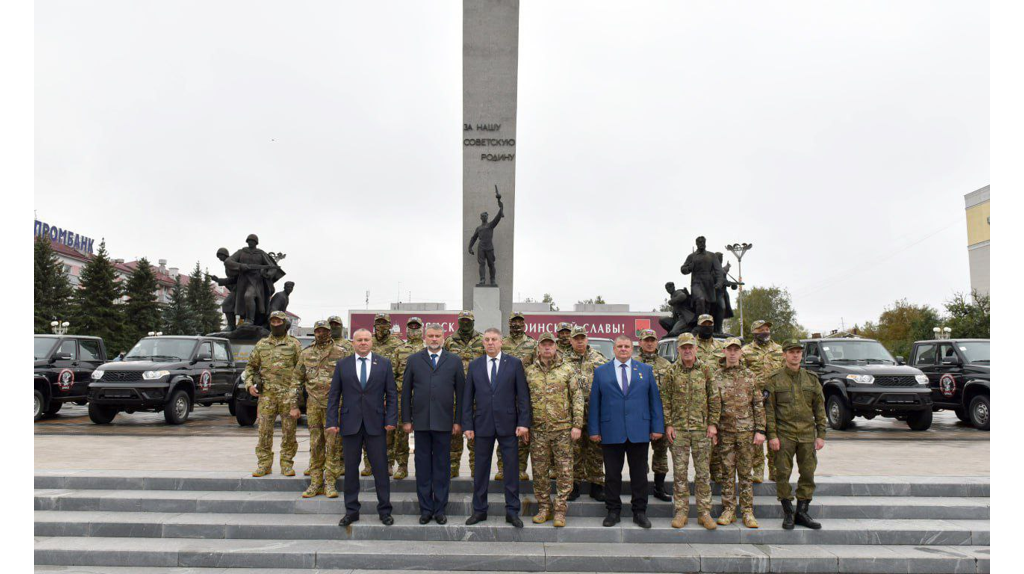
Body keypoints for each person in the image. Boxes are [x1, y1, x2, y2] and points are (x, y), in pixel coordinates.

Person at [588, 335, 665, 529]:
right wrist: (594, 429)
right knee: (612, 475)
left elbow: (654, 401)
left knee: (639, 474)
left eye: (627, 346)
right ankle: (613, 510)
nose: (623, 349)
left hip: (638, 430)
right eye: (620, 346)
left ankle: (640, 511)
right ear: (613, 349)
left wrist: (657, 427)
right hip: (611, 430)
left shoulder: (645, 370)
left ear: (633, 349)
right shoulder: (601, 372)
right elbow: (595, 403)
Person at [326, 329, 398, 527]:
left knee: (381, 469)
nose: (363, 343)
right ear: (353, 342)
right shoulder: (343, 365)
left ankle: (385, 511)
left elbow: (391, 394)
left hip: (376, 424)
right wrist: (332, 421)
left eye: (367, 340)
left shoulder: (383, 364)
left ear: (372, 342)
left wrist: (391, 419)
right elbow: (334, 395)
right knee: (350, 470)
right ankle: (351, 511)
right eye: (360, 340)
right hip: (350, 425)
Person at [463, 328, 531, 528]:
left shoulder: (514, 364)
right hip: (481, 424)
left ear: (501, 342)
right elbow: (467, 398)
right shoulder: (475, 365)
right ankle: (479, 510)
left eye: (494, 339)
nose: (490, 343)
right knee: (481, 469)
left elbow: (523, 396)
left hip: (509, 425)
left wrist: (523, 422)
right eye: (487, 340)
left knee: (511, 470)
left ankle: (512, 511)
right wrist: (467, 424)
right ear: (483, 343)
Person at [401, 323, 466, 524]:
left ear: (443, 337)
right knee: (422, 466)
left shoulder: (454, 361)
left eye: (438, 336)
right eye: (430, 336)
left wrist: (458, 421)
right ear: (425, 337)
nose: (434, 339)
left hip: (444, 423)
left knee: (441, 467)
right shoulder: (414, 360)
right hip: (420, 423)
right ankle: (425, 509)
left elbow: (461, 394)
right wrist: (406, 419)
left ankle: (440, 509)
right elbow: (405, 392)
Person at [766, 339, 827, 530]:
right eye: (791, 352)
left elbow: (819, 408)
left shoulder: (811, 379)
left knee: (808, 473)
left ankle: (802, 511)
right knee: (782, 473)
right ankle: (788, 512)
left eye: (798, 352)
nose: (795, 355)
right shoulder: (774, 379)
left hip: (807, 434)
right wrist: (772, 436)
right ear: (784, 354)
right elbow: (769, 411)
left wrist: (821, 434)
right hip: (784, 434)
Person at [525, 332, 584, 527]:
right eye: (544, 345)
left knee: (564, 471)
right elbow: (522, 401)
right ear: (539, 348)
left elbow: (576, 397)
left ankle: (560, 510)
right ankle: (544, 508)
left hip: (563, 430)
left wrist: (577, 425)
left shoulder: (567, 369)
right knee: (540, 472)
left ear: (556, 347)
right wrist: (524, 425)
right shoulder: (530, 371)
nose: (548, 347)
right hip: (538, 431)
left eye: (551, 344)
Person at [661, 333, 719, 529]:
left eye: (690, 347)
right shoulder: (671, 372)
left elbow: (714, 398)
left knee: (703, 474)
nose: (687, 350)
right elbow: (665, 400)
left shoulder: (706, 369)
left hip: (701, 430)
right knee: (680, 473)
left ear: (695, 349)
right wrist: (668, 424)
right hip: (679, 431)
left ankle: (704, 513)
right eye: (683, 347)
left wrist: (713, 424)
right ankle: (681, 512)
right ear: (678, 349)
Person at [712, 338, 766, 528]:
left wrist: (760, 430)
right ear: (724, 352)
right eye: (730, 350)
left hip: (746, 432)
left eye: (736, 349)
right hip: (725, 432)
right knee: (726, 473)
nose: (733, 353)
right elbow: (713, 405)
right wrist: (713, 428)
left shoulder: (750, 376)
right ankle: (728, 510)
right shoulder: (716, 376)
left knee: (745, 473)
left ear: (741, 353)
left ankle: (747, 511)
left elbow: (758, 404)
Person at [294, 320, 350, 498]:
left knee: (333, 446)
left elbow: (350, 381)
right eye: (317, 331)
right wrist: (293, 405)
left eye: (325, 330)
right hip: (313, 406)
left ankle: (330, 483)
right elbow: (296, 380)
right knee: (316, 444)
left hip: (334, 407)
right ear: (314, 332)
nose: (321, 334)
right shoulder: (306, 353)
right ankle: (315, 483)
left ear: (330, 331)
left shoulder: (342, 353)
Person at [244, 311, 302, 477]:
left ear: (285, 323)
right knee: (264, 432)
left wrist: (298, 395)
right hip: (267, 396)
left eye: (279, 321)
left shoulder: (294, 345)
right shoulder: (262, 344)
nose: (276, 324)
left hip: (288, 396)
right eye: (273, 321)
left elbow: (301, 371)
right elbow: (250, 367)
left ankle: (286, 464)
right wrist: (249, 385)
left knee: (289, 432)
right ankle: (264, 464)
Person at [564, 325, 609, 501]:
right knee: (574, 450)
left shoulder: (600, 360)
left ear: (587, 339)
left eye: (582, 338)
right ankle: (574, 485)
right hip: (571, 414)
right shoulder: (563, 360)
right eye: (576, 338)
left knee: (596, 450)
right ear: (571, 341)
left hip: (594, 413)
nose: (580, 341)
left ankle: (597, 485)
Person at [361, 312, 404, 477]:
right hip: (369, 396)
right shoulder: (367, 341)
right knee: (368, 430)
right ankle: (369, 465)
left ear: (389, 325)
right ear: (374, 325)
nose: (381, 326)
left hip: (391, 394)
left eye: (384, 323)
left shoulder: (397, 344)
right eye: (378, 323)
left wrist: (391, 395)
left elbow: (400, 372)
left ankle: (388, 464)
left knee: (390, 433)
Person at [743, 320, 784, 483]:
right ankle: (758, 470)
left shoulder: (779, 350)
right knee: (757, 436)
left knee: (775, 434)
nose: (765, 331)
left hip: (776, 400)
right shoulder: (746, 351)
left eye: (767, 329)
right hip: (755, 400)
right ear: (754, 332)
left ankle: (774, 470)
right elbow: (743, 375)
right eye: (761, 329)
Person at [635, 329, 673, 502]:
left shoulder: (666, 365)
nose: (649, 343)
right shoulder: (632, 363)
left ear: (657, 342)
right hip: (639, 416)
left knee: (661, 453)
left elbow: (672, 392)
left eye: (652, 340)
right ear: (640, 343)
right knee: (639, 454)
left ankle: (659, 487)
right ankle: (640, 488)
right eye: (646, 340)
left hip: (661, 416)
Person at [444, 311, 484, 477]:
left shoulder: (481, 340)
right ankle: (453, 468)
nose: (465, 324)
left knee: (475, 433)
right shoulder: (449, 341)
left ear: (473, 322)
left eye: (468, 321)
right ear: (458, 322)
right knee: (454, 433)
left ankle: (476, 468)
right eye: (463, 321)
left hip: (477, 393)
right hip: (454, 393)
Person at [499, 311, 536, 481]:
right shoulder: (502, 343)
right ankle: (502, 469)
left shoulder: (533, 344)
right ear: (509, 323)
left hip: (524, 392)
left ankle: (521, 469)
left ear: (524, 323)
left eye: (520, 322)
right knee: (504, 433)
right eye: (514, 322)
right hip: (504, 393)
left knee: (522, 434)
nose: (517, 325)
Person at [391, 316, 426, 480]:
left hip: (423, 399)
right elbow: (391, 375)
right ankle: (402, 466)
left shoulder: (428, 349)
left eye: (417, 326)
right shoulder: (399, 350)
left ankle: (422, 466)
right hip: (401, 398)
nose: (414, 329)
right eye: (411, 327)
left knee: (424, 434)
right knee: (401, 434)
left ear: (422, 329)